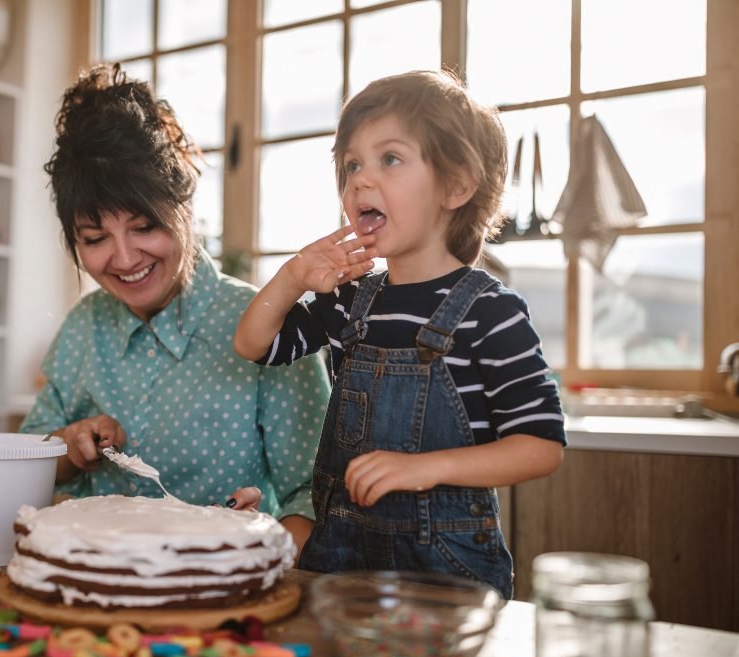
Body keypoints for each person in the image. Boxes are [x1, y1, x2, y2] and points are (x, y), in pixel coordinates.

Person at [233, 70, 565, 598]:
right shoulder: (348, 300)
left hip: (447, 576)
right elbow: (252, 343)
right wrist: (295, 274)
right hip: (339, 568)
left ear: (456, 185)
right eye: (351, 165)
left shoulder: (491, 311)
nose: (360, 180)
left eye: (389, 158)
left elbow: (540, 447)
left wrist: (423, 469)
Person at [20, 63, 330, 553]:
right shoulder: (84, 327)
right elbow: (24, 466)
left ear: (183, 205)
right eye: (96, 238)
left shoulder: (268, 327)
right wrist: (72, 443)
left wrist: (258, 546)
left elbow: (314, 499)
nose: (124, 258)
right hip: (98, 585)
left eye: (144, 227)